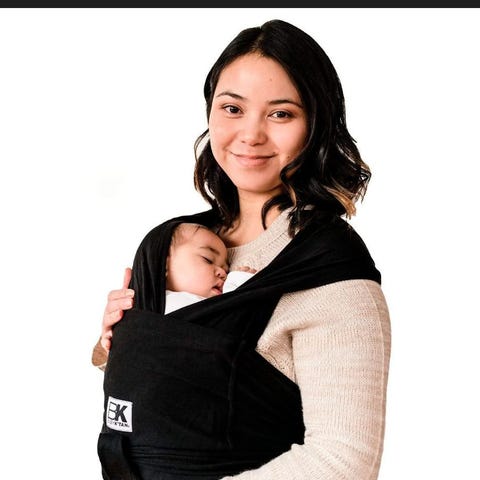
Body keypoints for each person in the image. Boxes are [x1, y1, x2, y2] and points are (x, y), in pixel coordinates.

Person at [93, 18, 391, 480]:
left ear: (316, 125)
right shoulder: (178, 241)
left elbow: (344, 462)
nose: (250, 134)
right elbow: (164, 400)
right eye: (232, 108)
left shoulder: (330, 270)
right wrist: (117, 344)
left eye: (281, 114)